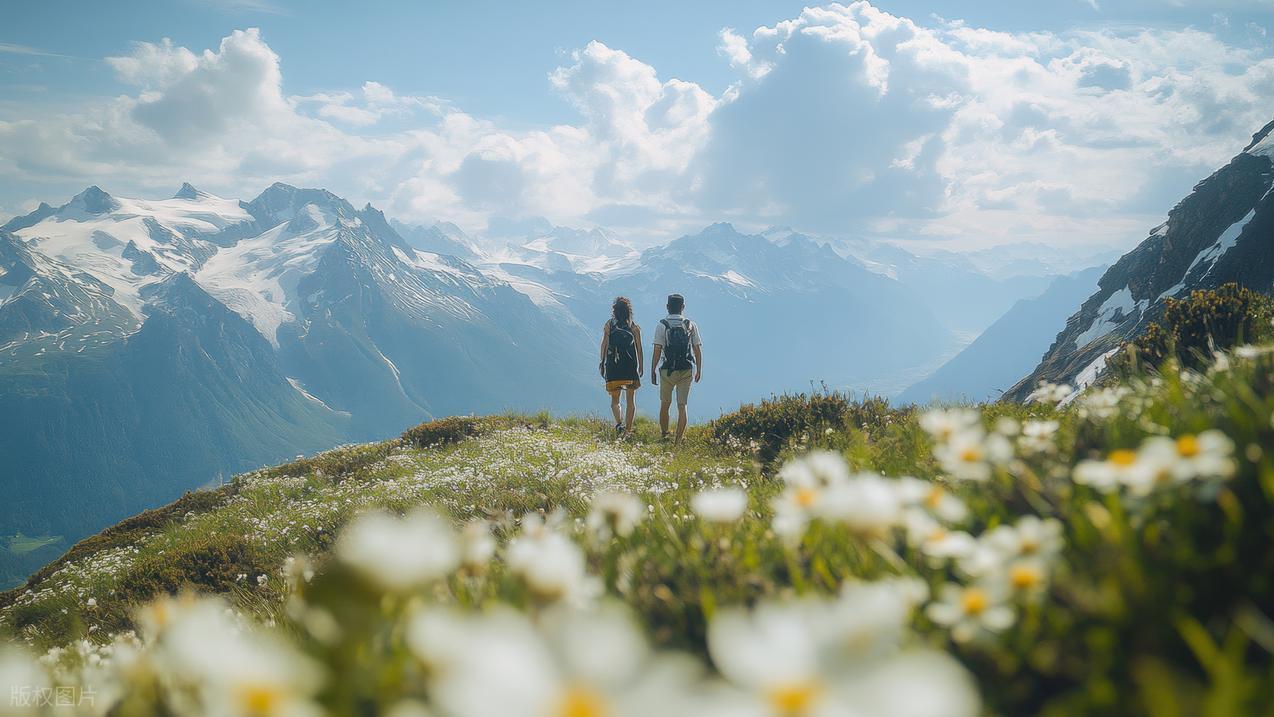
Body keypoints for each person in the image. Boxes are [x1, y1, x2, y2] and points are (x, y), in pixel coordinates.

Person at [650, 293, 702, 445]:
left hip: (667, 370)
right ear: (683, 307)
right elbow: (697, 349)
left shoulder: (662, 325)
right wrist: (699, 369)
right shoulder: (690, 324)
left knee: (665, 404)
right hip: (686, 370)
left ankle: (665, 434)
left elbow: (657, 350)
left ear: (667, 307)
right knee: (682, 406)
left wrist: (653, 369)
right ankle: (678, 441)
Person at [600, 296, 643, 436]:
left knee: (615, 400)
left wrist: (602, 362)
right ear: (628, 311)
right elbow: (639, 348)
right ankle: (628, 430)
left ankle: (619, 424)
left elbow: (604, 345)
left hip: (614, 367)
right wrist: (641, 366)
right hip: (630, 368)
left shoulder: (609, 325)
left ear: (614, 311)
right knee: (631, 401)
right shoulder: (634, 327)